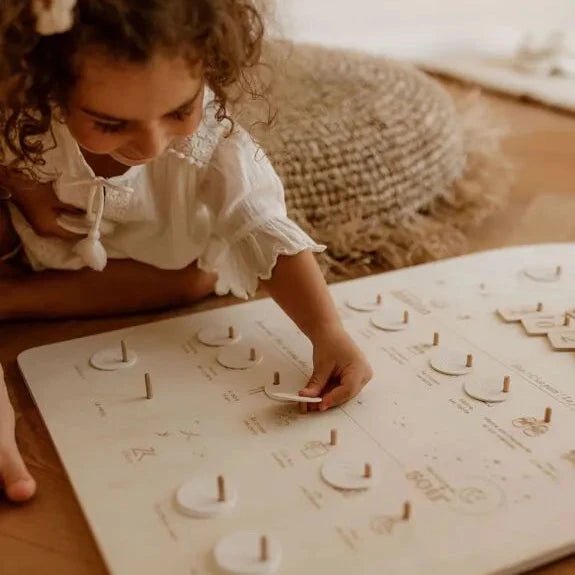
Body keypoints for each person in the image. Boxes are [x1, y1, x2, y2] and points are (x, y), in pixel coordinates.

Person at [0, 0, 373, 502]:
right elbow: (12, 154)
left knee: (198, 277)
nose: (151, 143)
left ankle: (12, 299)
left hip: (152, 261)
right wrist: (33, 197)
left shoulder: (213, 142)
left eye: (179, 110)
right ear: (46, 87)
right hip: (51, 238)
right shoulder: (24, 108)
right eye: (111, 124)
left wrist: (327, 330)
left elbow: (262, 223)